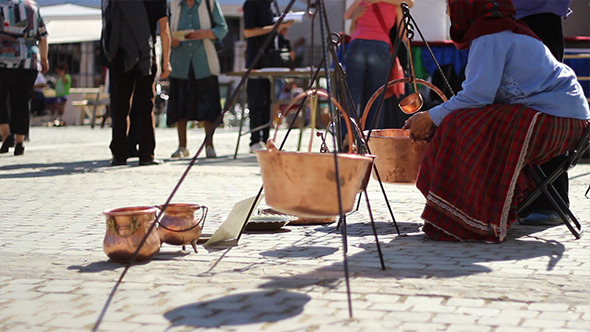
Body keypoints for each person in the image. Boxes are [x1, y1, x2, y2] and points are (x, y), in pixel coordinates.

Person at [403, 0, 589, 242]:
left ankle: (472, 214)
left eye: (451, 5)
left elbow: (476, 96)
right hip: (567, 120)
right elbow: (483, 97)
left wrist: (429, 117)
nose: (448, 12)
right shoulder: (497, 31)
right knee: (467, 120)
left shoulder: (491, 35)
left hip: (559, 122)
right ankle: (474, 208)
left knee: (462, 124)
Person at [512, 0, 572, 225]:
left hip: (537, 18)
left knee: (544, 106)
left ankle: (550, 202)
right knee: (516, 110)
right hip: (510, 19)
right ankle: (521, 199)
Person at [100, 0, 172, 166]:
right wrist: (166, 61)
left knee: (120, 104)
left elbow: (108, 20)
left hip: (120, 53)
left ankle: (119, 155)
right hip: (146, 53)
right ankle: (147, 154)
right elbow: (164, 28)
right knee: (146, 104)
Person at [167, 0, 228, 159]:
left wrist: (205, 33)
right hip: (180, 63)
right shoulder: (173, 4)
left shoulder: (209, 3)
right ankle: (182, 146)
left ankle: (209, 146)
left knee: (209, 107)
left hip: (204, 63)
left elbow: (222, 28)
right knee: (180, 106)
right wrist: (170, 40)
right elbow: (164, 29)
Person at [342, 0, 412, 131]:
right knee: (377, 95)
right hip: (380, 45)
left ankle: (347, 136)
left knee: (351, 93)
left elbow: (347, 16)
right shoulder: (395, 4)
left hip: (357, 44)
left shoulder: (363, 2)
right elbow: (403, 35)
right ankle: (372, 137)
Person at [243, 0, 293, 152]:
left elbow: (273, 30)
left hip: (272, 61)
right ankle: (255, 140)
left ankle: (266, 139)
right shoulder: (252, 3)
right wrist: (277, 26)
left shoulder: (272, 4)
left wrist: (283, 26)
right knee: (256, 102)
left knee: (268, 102)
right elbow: (248, 32)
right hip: (256, 61)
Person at [0, 0, 49, 156]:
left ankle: (6, 134)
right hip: (30, 58)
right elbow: (43, 35)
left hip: (4, 58)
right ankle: (20, 142)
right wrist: (44, 58)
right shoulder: (33, 6)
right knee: (22, 101)